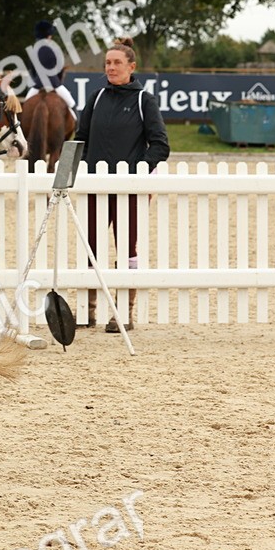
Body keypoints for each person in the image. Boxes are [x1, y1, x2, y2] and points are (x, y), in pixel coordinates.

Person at [74, 36, 170, 333]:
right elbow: (81, 138)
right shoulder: (96, 98)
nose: (111, 68)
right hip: (94, 186)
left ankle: (123, 313)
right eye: (107, 63)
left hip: (129, 189)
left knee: (126, 248)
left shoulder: (144, 100)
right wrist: (77, 169)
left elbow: (160, 145)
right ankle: (87, 310)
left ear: (131, 66)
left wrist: (138, 172)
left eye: (117, 63)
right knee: (90, 246)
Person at [25, 20, 77, 114]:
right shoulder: (55, 49)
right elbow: (59, 69)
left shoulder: (32, 50)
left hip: (38, 85)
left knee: (25, 107)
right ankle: (77, 122)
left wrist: (37, 80)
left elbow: (32, 71)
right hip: (54, 83)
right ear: (49, 35)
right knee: (72, 104)